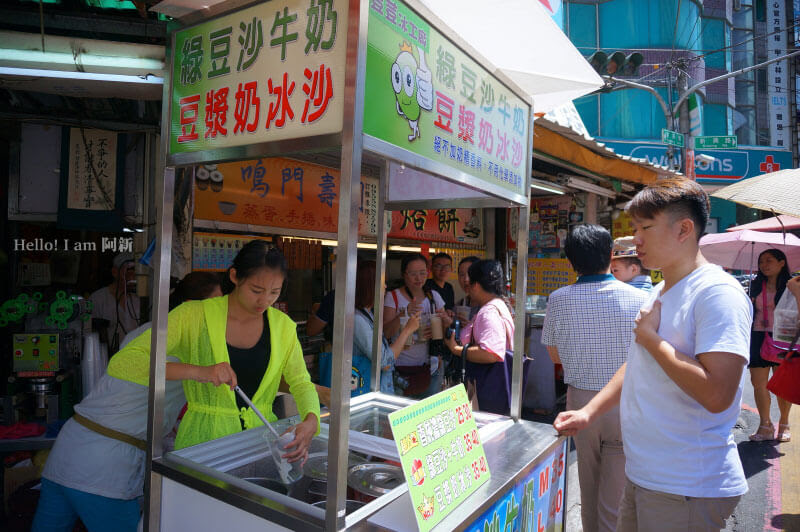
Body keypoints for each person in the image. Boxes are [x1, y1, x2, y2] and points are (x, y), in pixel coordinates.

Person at [554, 178, 752, 532]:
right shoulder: (661, 289)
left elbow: (718, 394)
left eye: (645, 227)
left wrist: (652, 340)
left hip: (685, 484)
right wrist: (588, 412)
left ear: (684, 229)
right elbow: (638, 365)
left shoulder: (718, 293)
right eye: (634, 228)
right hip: (645, 474)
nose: (635, 239)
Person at [32, 272, 223, 532]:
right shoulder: (193, 344)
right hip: (104, 468)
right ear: (193, 308)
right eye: (217, 306)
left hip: (68, 449)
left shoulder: (145, 332)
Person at [542, 225, 648, 532]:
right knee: (616, 493)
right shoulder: (638, 298)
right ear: (611, 255)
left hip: (580, 402)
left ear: (570, 260)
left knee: (587, 485)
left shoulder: (559, 298)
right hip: (625, 402)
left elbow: (554, 356)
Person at [443, 259, 516, 415]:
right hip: (495, 386)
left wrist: (457, 349)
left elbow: (490, 353)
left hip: (485, 389)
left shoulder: (488, 312)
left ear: (476, 285)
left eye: (470, 283)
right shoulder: (499, 304)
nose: (467, 287)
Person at [383, 253, 448, 397]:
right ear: (404, 274)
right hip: (399, 370)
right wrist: (404, 313)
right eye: (413, 274)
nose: (418, 278)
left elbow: (446, 331)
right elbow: (385, 333)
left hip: (430, 369)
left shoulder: (434, 297)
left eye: (422, 273)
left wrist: (442, 326)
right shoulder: (392, 297)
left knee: (428, 416)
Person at [748, 248, 792, 443]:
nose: (764, 265)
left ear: (782, 263)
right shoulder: (755, 285)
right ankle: (765, 425)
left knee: (783, 385)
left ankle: (784, 422)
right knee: (759, 384)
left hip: (784, 337)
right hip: (758, 337)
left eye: (769, 260)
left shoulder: (792, 285)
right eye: (761, 261)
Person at [89, 253, 141, 353]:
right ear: (115, 272)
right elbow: (91, 334)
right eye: (129, 272)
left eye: (135, 272)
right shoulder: (98, 299)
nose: (133, 277)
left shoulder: (139, 299)